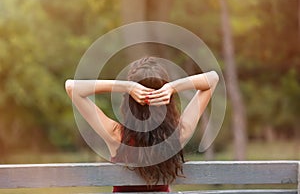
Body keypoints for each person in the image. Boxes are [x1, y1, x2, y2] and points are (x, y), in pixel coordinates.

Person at [65, 56, 219, 192]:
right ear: (168, 100)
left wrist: (127, 86)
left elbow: (72, 87)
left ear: (129, 100)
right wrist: (172, 87)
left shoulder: (116, 135)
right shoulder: (178, 134)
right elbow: (212, 79)